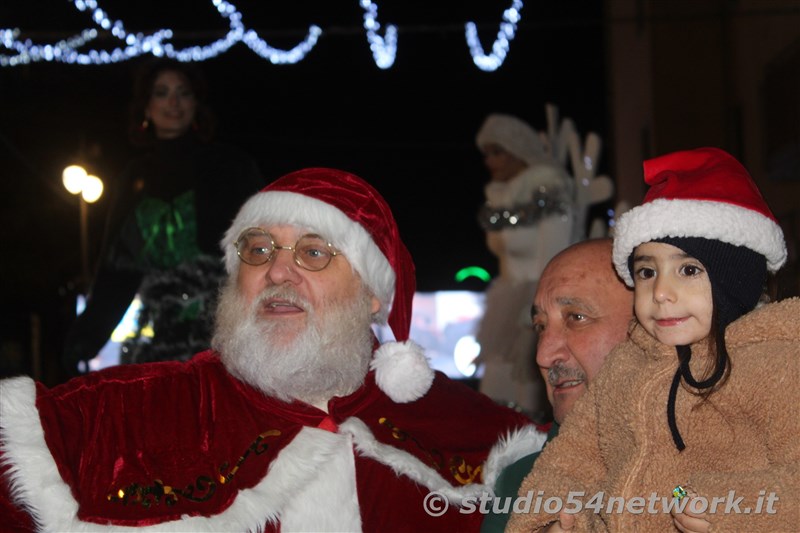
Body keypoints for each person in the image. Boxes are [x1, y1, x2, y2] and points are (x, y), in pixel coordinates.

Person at [0, 167, 548, 532]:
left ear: (374, 296)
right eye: (257, 249)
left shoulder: (480, 436)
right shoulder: (125, 413)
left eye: (314, 252)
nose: (277, 270)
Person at [507, 147, 800, 532]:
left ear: (736, 280)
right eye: (646, 272)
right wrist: (550, 519)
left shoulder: (775, 366)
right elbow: (572, 459)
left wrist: (728, 510)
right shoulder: (624, 368)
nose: (661, 291)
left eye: (689, 270)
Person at [62, 57, 265, 375]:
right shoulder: (133, 178)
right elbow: (117, 271)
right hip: (163, 341)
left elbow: (262, 245)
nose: (173, 102)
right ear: (146, 106)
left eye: (183, 92)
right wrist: (81, 343)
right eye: (162, 92)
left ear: (195, 103)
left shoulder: (229, 166)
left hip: (227, 338)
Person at [479, 238, 634, 532]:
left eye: (576, 317)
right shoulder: (521, 481)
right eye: (540, 327)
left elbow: (679, 490)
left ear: (648, 329)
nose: (544, 355)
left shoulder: (722, 456)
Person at [473, 112, 576, 421]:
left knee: (529, 393)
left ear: (517, 149)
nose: (491, 162)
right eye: (486, 154)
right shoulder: (500, 195)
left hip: (537, 303)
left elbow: (555, 258)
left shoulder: (547, 187)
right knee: (495, 395)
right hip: (506, 301)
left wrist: (536, 309)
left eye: (497, 151)